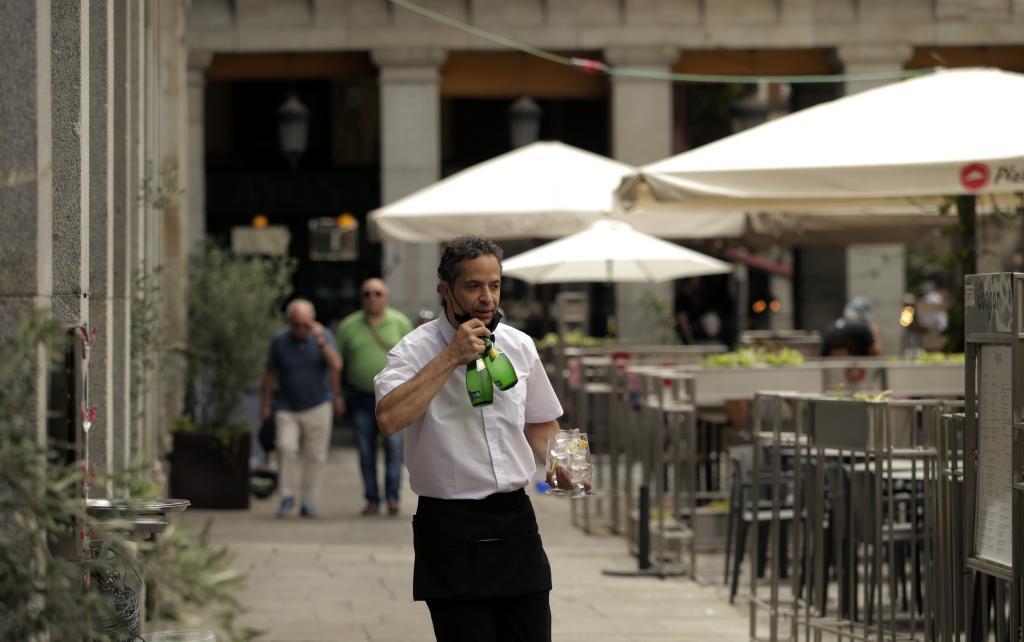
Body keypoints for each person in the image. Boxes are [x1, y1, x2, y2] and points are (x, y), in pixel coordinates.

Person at [374, 235, 578, 642]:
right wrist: (450, 356)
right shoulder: (412, 350)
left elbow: (541, 421)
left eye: (495, 285)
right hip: (450, 525)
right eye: (473, 286)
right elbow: (390, 418)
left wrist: (566, 466)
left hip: (515, 520)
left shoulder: (519, 345)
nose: (487, 297)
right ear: (446, 290)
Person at [336, 278, 413, 516]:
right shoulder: (349, 325)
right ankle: (372, 498)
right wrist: (337, 395)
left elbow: (413, 358)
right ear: (362, 298)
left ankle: (392, 498)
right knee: (365, 449)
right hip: (360, 397)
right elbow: (339, 362)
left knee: (394, 449)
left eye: (377, 293)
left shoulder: (399, 322)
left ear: (386, 297)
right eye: (367, 294)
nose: (372, 298)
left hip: (393, 397)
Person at [261, 299, 343, 518]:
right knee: (285, 447)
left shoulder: (323, 336)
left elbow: (336, 366)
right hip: (287, 405)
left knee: (315, 456)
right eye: (296, 325)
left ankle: (309, 501)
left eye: (305, 325)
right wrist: (266, 404)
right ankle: (287, 496)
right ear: (290, 323)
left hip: (318, 404)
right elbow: (269, 374)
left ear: (313, 322)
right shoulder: (280, 340)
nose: (300, 329)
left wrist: (321, 342)